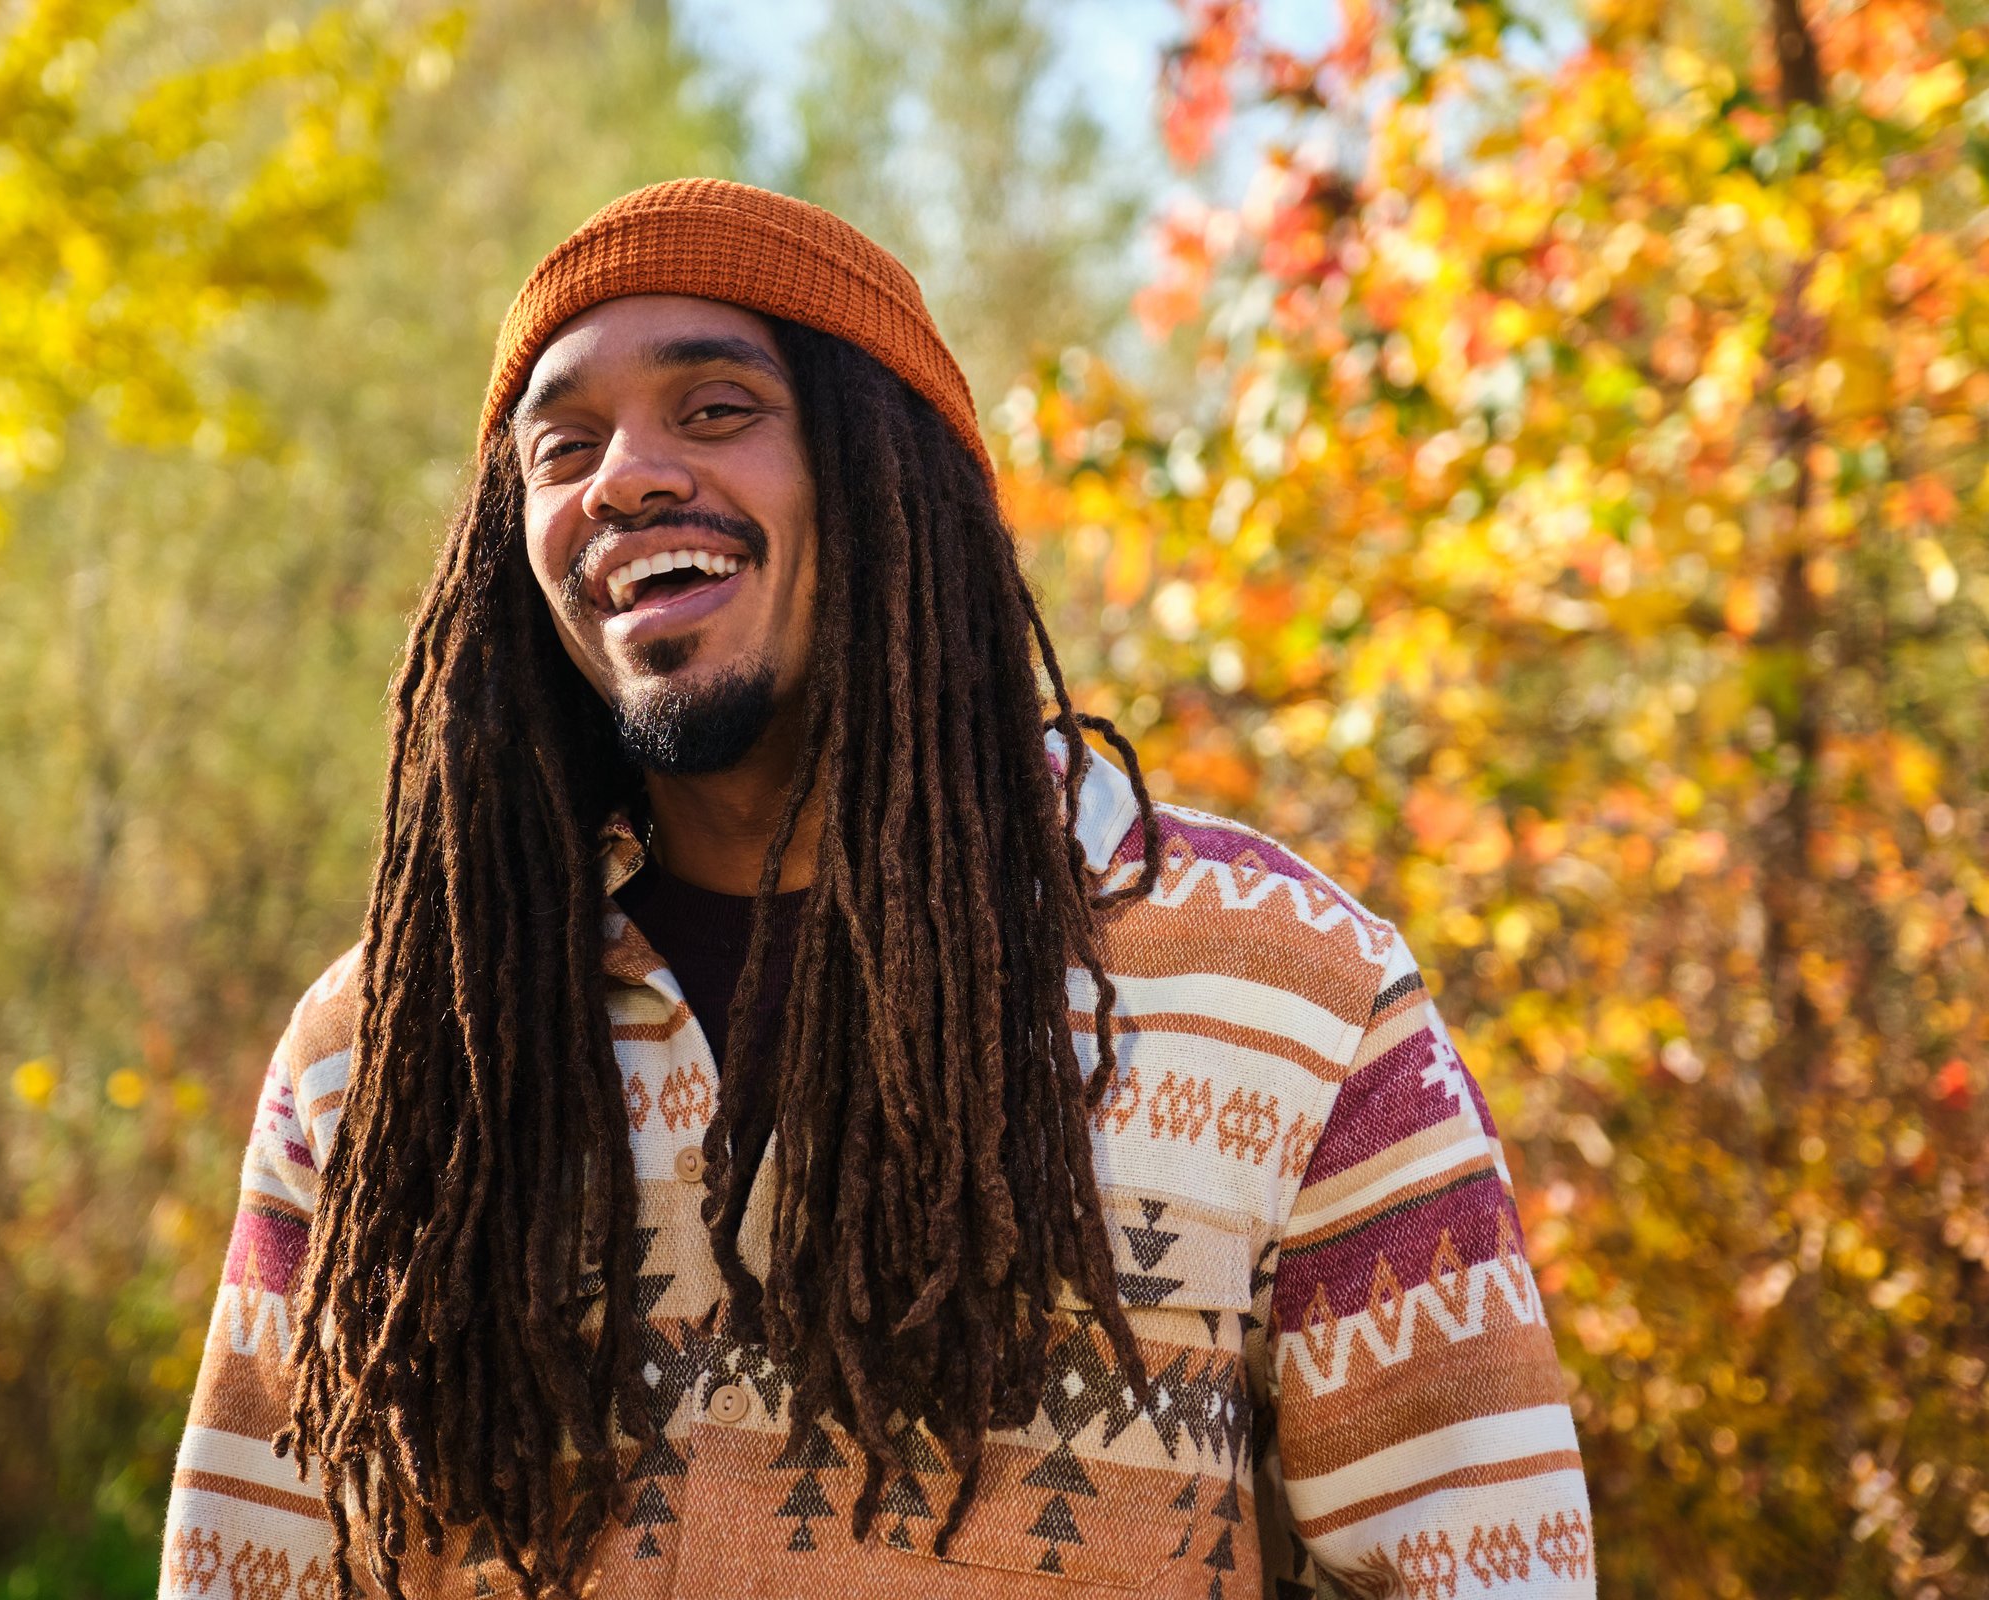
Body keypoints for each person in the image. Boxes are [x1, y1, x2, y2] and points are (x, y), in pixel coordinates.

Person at [158, 179, 1595, 1600]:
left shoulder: (1283, 992)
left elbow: (1482, 1566)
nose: (626, 478)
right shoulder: (389, 1066)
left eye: (717, 409)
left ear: (892, 477)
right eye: (561, 447)